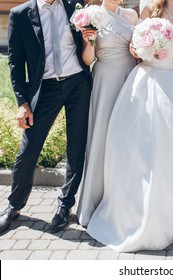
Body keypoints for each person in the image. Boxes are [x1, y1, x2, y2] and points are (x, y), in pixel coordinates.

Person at [85, 0, 173, 252]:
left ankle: (172, 212)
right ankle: (135, 207)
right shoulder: (150, 10)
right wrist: (142, 50)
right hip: (146, 79)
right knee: (139, 143)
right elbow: (134, 45)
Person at [0, 0, 92, 235]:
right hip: (45, 89)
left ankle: (65, 205)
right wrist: (22, 103)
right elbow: (15, 62)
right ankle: (14, 204)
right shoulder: (20, 14)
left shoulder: (75, 6)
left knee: (76, 148)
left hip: (78, 85)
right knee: (28, 149)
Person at [76, 0, 138, 227]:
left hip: (131, 76)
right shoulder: (91, 15)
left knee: (127, 138)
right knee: (103, 135)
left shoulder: (131, 15)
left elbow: (139, 48)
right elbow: (87, 60)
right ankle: (97, 198)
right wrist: (89, 42)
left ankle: (127, 199)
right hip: (105, 78)